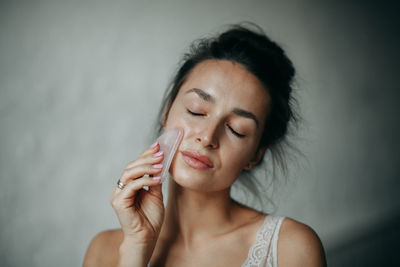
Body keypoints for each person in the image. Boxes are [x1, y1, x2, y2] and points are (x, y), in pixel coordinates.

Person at [83, 24, 327, 267]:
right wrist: (135, 247)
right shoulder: (104, 252)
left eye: (236, 129)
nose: (208, 137)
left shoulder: (291, 249)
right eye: (196, 111)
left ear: (255, 154)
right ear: (167, 113)